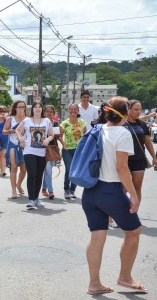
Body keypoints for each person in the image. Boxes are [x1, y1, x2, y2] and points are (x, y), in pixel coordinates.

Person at [82, 97, 147, 295]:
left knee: (97, 236)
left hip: (90, 191)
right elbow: (121, 167)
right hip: (110, 191)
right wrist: (134, 196)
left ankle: (94, 284)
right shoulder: (123, 133)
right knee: (134, 232)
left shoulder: (97, 129)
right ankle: (125, 277)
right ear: (125, 114)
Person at [16, 101, 54, 209]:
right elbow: (17, 130)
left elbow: (51, 134)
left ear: (42, 109)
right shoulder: (27, 120)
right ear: (32, 109)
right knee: (31, 174)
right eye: (35, 107)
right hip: (29, 151)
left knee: (39, 176)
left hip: (42, 152)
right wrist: (21, 140)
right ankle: (31, 200)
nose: (37, 109)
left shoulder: (46, 121)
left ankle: (37, 198)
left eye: (39, 107)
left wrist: (47, 139)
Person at [123, 100, 157, 203]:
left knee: (137, 188)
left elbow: (147, 141)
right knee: (123, 189)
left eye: (140, 109)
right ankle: (117, 215)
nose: (138, 112)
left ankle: (133, 215)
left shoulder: (142, 124)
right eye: (136, 109)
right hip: (124, 160)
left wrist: (154, 158)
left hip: (139, 160)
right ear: (128, 110)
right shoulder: (121, 123)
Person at [58, 104, 87, 199]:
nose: (73, 111)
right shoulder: (64, 123)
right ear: (68, 110)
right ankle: (66, 190)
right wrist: (63, 144)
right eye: (71, 109)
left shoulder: (82, 123)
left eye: (75, 109)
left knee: (76, 170)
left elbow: (86, 136)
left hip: (78, 150)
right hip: (67, 150)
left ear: (78, 111)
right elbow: (59, 136)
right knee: (69, 169)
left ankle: (72, 190)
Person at [2, 100, 27, 199]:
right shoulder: (10, 119)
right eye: (19, 107)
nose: (21, 109)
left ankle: (19, 184)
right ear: (15, 108)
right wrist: (10, 131)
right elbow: (3, 131)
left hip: (24, 145)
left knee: (24, 169)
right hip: (13, 144)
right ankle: (13, 190)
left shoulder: (27, 119)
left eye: (23, 107)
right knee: (14, 167)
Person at [41, 105, 59, 200]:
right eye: (47, 111)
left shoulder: (55, 123)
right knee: (48, 170)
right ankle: (51, 191)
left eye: (51, 112)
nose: (49, 113)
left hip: (53, 149)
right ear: (44, 113)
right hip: (43, 149)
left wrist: (63, 145)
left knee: (48, 171)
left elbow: (58, 136)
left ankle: (44, 188)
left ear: (53, 113)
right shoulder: (41, 123)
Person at [0, 106, 9, 176]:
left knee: (4, 155)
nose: (2, 113)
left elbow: (11, 126)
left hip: (6, 139)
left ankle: (3, 170)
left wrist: (6, 118)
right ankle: (1, 170)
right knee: (0, 156)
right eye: (1, 111)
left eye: (4, 111)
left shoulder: (7, 120)